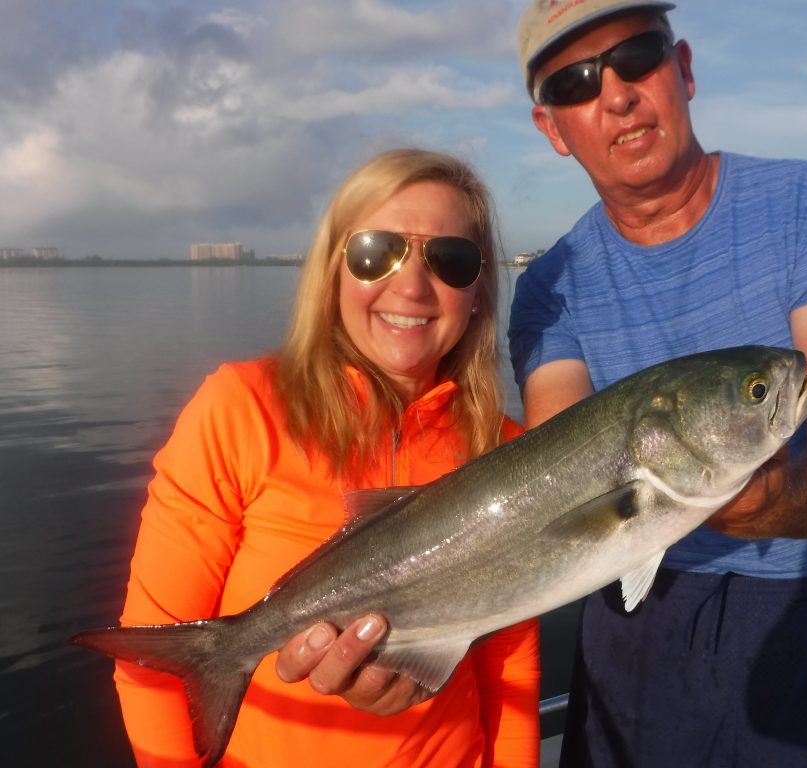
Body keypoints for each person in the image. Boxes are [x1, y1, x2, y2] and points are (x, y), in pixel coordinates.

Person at [510, 2, 807, 766]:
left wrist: (779, 502)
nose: (615, 92)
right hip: (634, 619)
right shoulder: (548, 287)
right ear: (552, 128)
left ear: (682, 68)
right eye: (575, 81)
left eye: (635, 55)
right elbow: (559, 481)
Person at [114, 148, 540, 767]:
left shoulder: (506, 449)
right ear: (334, 270)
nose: (413, 285)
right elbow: (152, 665)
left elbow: (510, 666)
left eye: (450, 260)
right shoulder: (241, 410)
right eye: (378, 252)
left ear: (478, 293)